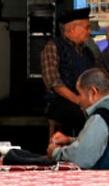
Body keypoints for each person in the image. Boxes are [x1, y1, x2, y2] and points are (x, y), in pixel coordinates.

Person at [40, 7, 99, 136]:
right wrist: (78, 100)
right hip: (59, 102)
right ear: (73, 28)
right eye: (86, 27)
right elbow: (53, 82)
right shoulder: (53, 47)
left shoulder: (87, 52)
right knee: (82, 116)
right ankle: (81, 150)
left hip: (84, 100)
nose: (89, 32)